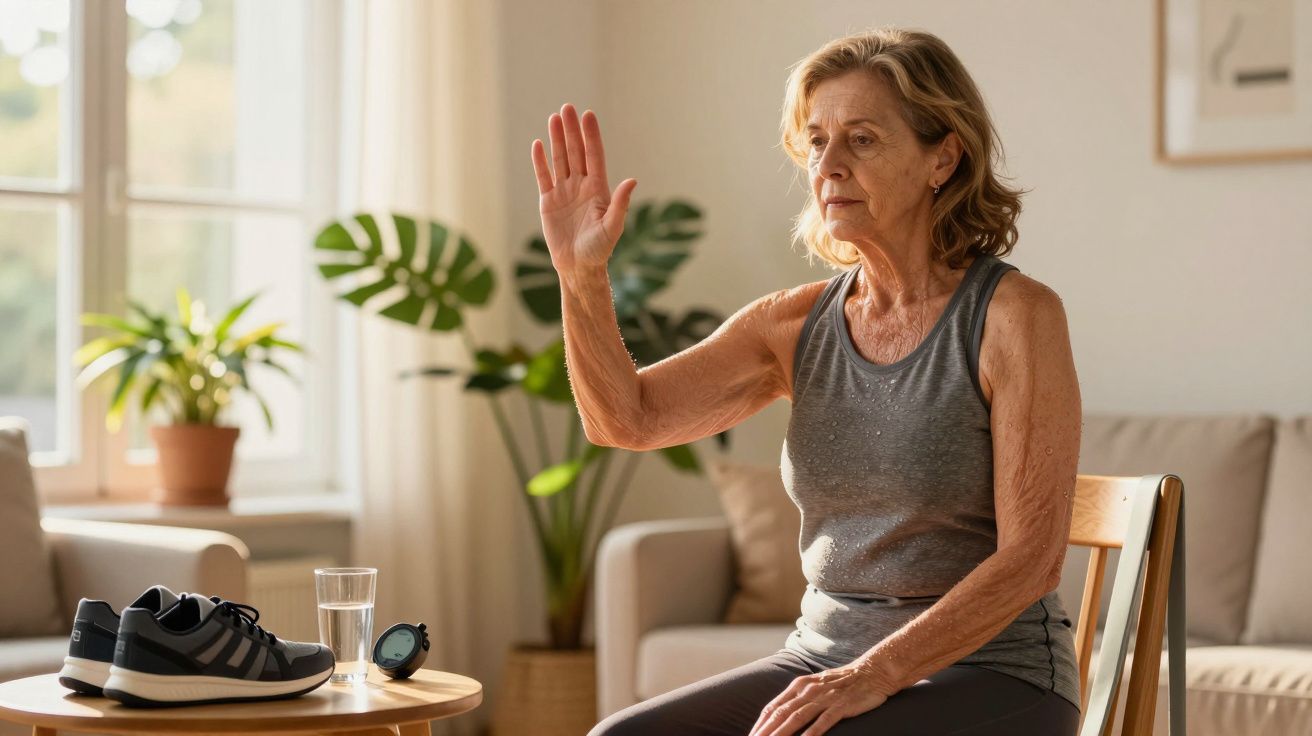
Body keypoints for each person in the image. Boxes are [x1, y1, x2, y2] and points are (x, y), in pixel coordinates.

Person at [530, 25, 1082, 736]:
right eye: (817, 141)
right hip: (823, 662)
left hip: (995, 674)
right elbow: (624, 421)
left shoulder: (1014, 317)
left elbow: (1032, 560)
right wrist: (581, 273)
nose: (830, 165)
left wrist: (872, 676)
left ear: (942, 157)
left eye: (862, 139)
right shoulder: (791, 326)